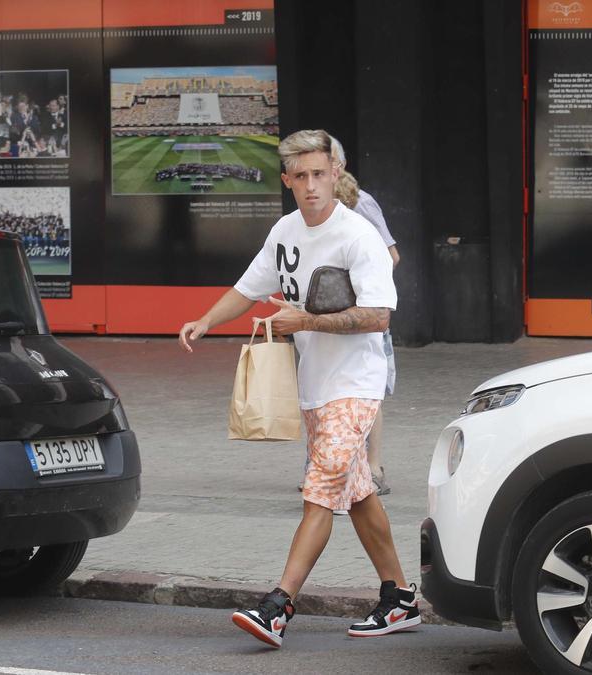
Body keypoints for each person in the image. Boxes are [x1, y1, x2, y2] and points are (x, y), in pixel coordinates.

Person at [178, 129, 418, 648]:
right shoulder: (286, 230)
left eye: (319, 174)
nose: (311, 185)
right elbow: (247, 288)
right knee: (357, 495)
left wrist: (305, 320)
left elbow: (378, 315)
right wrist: (205, 320)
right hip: (313, 385)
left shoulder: (358, 236)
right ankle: (399, 599)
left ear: (336, 173)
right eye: (301, 177)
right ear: (287, 181)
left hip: (355, 385)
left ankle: (278, 605)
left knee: (319, 493)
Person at [330, 136, 400, 496]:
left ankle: (373, 467)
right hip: (325, 320)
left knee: (369, 392)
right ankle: (327, 466)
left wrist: (356, 282)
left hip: (363, 316)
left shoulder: (361, 203)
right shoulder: (310, 211)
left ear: (337, 166)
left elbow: (392, 256)